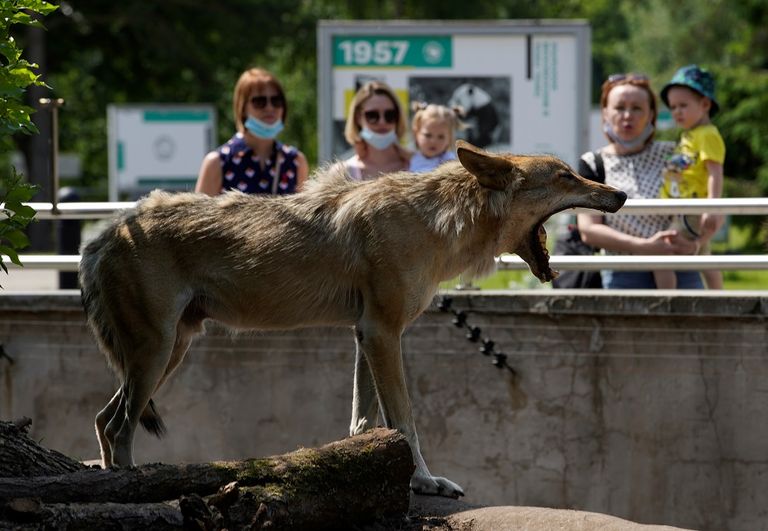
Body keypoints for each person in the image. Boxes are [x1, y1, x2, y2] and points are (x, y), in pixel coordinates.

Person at [577, 73, 704, 289]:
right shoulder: (593, 163)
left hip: (679, 265)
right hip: (624, 271)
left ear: (651, 114)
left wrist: (695, 243)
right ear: (606, 113)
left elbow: (699, 200)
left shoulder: (675, 154)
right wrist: (644, 247)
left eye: (637, 108)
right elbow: (588, 230)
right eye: (619, 108)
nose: (628, 115)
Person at [656, 65, 726, 289]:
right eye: (673, 106)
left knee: (664, 253)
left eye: (683, 106)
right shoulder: (690, 135)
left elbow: (715, 172)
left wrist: (711, 207)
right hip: (682, 206)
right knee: (703, 255)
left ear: (705, 104)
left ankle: (669, 300)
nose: (677, 112)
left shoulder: (707, 135)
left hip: (695, 207)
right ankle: (719, 298)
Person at [196, 67, 308, 196]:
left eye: (276, 101)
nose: (269, 107)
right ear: (242, 107)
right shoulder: (217, 163)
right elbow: (198, 216)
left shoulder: (296, 161)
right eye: (259, 102)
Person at [341, 81, 411, 180]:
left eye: (390, 115)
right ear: (358, 118)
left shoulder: (420, 167)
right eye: (372, 115)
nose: (382, 122)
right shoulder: (342, 174)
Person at [408, 102, 465, 172]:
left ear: (449, 138)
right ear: (416, 133)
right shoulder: (413, 158)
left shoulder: (449, 161)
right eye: (428, 135)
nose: (433, 141)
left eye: (441, 137)